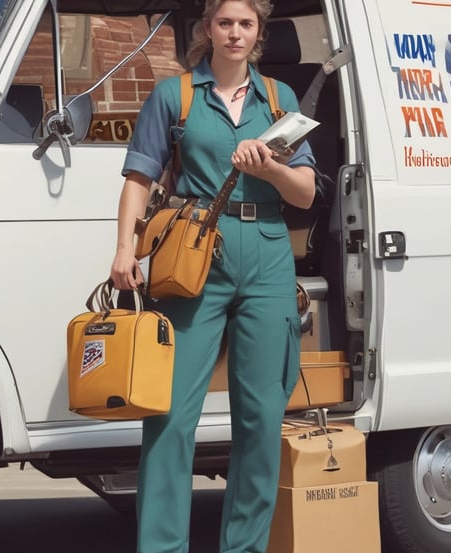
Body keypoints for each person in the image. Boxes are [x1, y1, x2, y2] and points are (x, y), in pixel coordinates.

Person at [109, 1, 316, 551]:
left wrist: (268, 166)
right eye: (225, 22)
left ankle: (244, 546)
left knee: (261, 417)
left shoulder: (279, 99)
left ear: (258, 33)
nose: (235, 33)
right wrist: (124, 247)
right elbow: (138, 176)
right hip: (195, 253)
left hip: (268, 254)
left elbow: (305, 192)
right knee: (172, 413)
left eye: (245, 24)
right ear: (208, 29)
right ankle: (161, 545)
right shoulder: (174, 95)